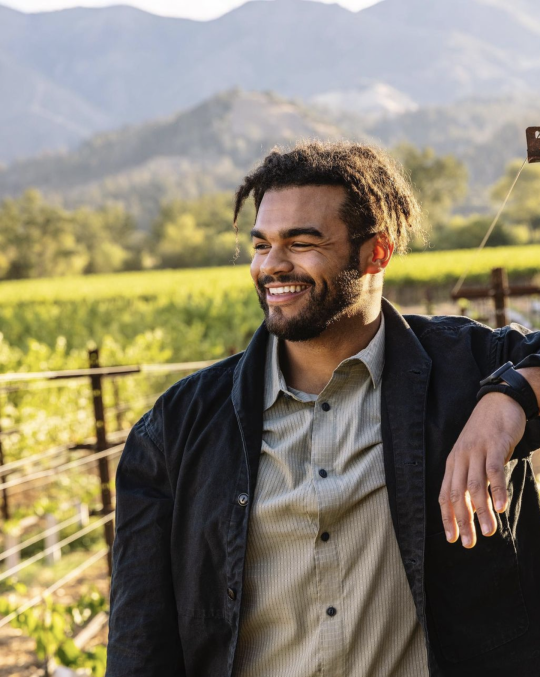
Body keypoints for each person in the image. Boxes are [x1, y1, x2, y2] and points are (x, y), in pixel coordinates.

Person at [106, 142, 540, 677]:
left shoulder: (466, 373)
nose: (272, 265)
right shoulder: (175, 428)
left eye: (302, 242)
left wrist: (509, 396)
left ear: (376, 252)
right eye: (261, 245)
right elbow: (138, 642)